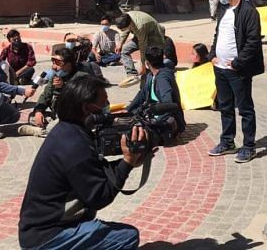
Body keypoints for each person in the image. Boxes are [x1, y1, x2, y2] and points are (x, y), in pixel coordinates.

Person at [18, 76, 146, 250]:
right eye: (104, 103)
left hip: (39, 230)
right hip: (47, 237)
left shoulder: (68, 130)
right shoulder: (74, 145)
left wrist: (129, 160)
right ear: (87, 108)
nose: (108, 108)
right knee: (126, 238)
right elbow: (100, 196)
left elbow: (95, 171)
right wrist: (127, 162)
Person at [207, 0, 264, 163]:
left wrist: (238, 62)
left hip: (238, 70)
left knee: (245, 108)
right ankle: (227, 142)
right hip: (220, 68)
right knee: (225, 107)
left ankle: (249, 146)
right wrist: (212, 54)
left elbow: (253, 41)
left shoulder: (248, 11)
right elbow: (218, 34)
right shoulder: (223, 10)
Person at [127, 46, 186, 135]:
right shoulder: (151, 75)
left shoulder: (163, 78)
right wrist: (128, 109)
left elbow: (168, 105)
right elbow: (142, 94)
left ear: (147, 63)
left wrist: (151, 114)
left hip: (166, 118)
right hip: (154, 112)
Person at [31, 48, 94, 128]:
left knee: (53, 127)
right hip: (58, 113)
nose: (54, 67)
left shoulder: (81, 77)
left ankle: (45, 130)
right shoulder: (56, 76)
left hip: (75, 116)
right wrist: (38, 111)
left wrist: (63, 87)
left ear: (68, 64)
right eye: (53, 62)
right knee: (33, 117)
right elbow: (46, 95)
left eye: (58, 64)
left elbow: (81, 101)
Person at [115, 11, 165, 79]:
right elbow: (125, 31)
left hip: (153, 36)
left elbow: (143, 47)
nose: (121, 31)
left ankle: (154, 72)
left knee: (150, 55)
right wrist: (120, 43)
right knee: (124, 50)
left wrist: (143, 65)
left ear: (129, 25)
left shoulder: (139, 27)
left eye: (122, 29)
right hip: (139, 35)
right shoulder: (126, 17)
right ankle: (131, 74)